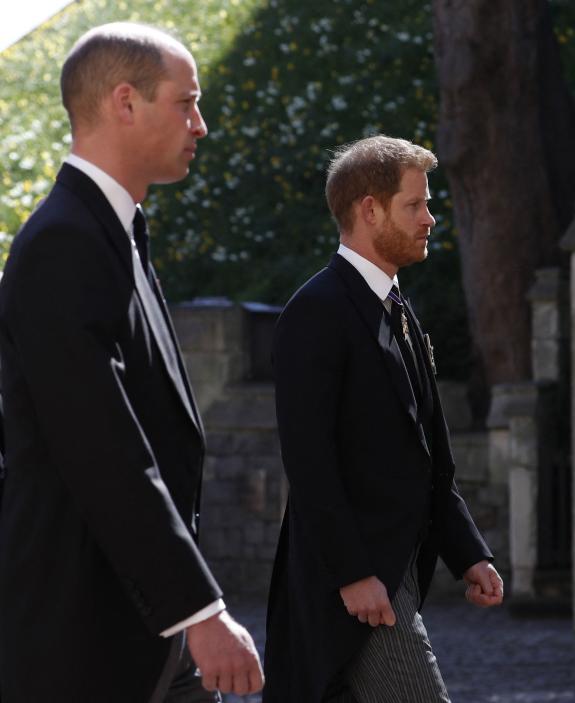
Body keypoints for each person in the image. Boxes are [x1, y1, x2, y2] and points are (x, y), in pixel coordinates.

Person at [0, 23, 263, 702]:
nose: (200, 124)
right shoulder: (64, 242)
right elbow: (103, 449)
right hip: (83, 634)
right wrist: (199, 612)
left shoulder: (116, 232)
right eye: (186, 102)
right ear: (124, 101)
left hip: (144, 627)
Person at [264, 135, 505, 701]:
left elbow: (427, 456)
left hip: (392, 574)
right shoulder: (315, 312)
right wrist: (351, 573)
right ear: (369, 210)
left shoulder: (396, 308)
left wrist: (468, 552)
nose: (430, 218)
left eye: (428, 204)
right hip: (352, 586)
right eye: (415, 205)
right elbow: (309, 460)